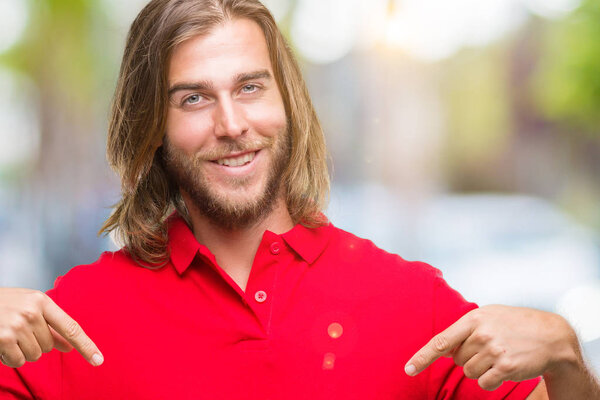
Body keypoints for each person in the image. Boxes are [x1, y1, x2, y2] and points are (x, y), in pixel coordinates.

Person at [0, 0, 598, 398]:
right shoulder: (67, 328)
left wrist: (567, 360)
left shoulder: (420, 310)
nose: (231, 123)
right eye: (193, 99)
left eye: (250, 87)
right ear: (150, 127)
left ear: (287, 104)